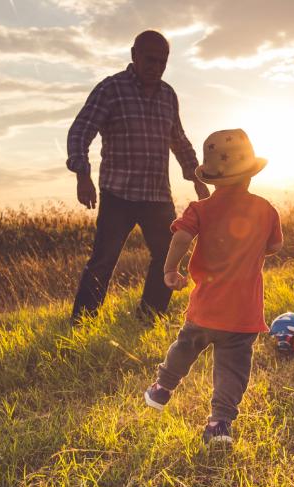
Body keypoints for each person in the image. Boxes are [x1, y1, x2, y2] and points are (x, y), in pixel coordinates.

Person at [143, 128, 283, 445]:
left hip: (206, 308)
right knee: (232, 370)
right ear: (249, 175)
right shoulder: (265, 209)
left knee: (185, 346)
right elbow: (275, 246)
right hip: (243, 315)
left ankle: (162, 388)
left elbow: (180, 237)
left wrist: (169, 269)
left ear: (211, 178)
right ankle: (219, 424)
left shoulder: (200, 209)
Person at [66, 29, 210, 324]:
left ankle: (149, 316)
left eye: (163, 61)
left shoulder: (168, 95)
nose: (156, 67)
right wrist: (83, 173)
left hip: (157, 196)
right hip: (118, 194)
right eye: (150, 59)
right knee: (103, 261)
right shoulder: (111, 89)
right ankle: (82, 322)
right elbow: (81, 130)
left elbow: (179, 140)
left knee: (169, 255)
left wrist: (196, 176)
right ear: (134, 55)